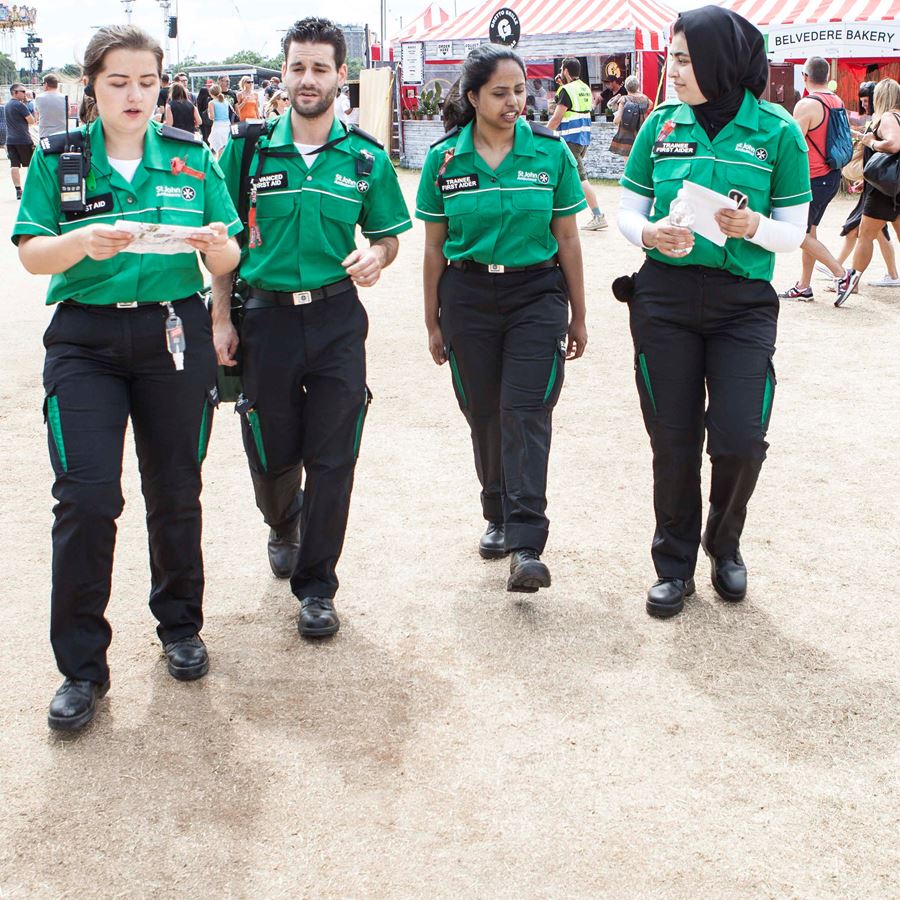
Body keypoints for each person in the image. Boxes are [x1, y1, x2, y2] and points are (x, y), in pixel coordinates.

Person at [13, 24, 242, 732]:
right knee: (86, 498)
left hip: (172, 332)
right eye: (118, 81)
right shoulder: (62, 159)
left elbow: (228, 256)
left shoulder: (189, 156)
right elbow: (32, 254)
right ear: (93, 86)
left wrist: (217, 245)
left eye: (146, 81)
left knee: (176, 486)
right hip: (86, 338)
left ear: (161, 85)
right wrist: (81, 241)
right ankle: (81, 667)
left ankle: (179, 626)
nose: (134, 94)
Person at [211, 17, 411, 638]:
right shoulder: (246, 151)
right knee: (270, 453)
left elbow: (387, 238)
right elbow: (222, 244)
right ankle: (282, 521)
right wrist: (221, 316)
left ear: (340, 76)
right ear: (284, 72)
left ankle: (318, 586)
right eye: (297, 66)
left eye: (320, 67)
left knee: (334, 455)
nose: (307, 78)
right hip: (264, 316)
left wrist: (377, 257)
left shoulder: (365, 159)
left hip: (335, 319)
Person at [617, 5, 811, 618]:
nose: (671, 71)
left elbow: (793, 232)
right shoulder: (661, 124)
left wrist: (755, 225)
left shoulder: (776, 131)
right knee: (672, 440)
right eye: (671, 58)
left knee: (739, 439)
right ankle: (672, 565)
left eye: (683, 59)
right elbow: (628, 206)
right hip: (665, 300)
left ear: (720, 61)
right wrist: (649, 234)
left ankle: (723, 544)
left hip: (742, 306)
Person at [416, 44, 587, 592]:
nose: (515, 101)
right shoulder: (444, 160)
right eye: (500, 92)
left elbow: (566, 237)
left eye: (520, 90)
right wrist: (432, 321)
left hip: (536, 294)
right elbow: (434, 248)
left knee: (526, 410)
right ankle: (496, 511)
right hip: (467, 295)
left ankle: (526, 542)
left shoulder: (551, 156)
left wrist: (578, 315)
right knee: (483, 410)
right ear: (473, 97)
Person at [777, 57, 849, 302]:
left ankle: (841, 274)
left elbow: (793, 145)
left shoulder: (806, 104)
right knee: (809, 230)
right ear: (827, 77)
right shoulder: (835, 100)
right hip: (831, 174)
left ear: (805, 77)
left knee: (798, 233)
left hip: (812, 178)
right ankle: (804, 285)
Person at [835, 78, 900, 306]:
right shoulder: (898, 117)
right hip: (892, 186)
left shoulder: (888, 118)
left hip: (884, 192)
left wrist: (871, 142)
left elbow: (893, 144)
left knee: (865, 236)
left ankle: (851, 280)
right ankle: (852, 279)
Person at [548, 57, 607, 231]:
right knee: (563, 176)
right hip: (583, 138)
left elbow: (557, 116)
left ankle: (598, 215)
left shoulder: (566, 90)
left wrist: (542, 133)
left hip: (569, 139)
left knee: (581, 178)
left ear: (565, 70)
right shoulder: (584, 88)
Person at [608, 75, 652, 158]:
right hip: (641, 134)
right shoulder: (645, 99)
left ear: (626, 88)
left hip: (627, 136)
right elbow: (650, 104)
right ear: (637, 87)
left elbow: (617, 120)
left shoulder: (624, 100)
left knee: (628, 163)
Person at [5, 82, 35, 199]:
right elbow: (31, 121)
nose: (25, 93)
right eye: (22, 91)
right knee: (30, 164)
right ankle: (30, 188)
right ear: (15, 93)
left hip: (10, 140)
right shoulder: (20, 105)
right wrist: (27, 105)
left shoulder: (7, 105)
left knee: (14, 165)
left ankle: (18, 190)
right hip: (23, 139)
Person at [35, 73, 68, 139]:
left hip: (45, 134)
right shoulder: (64, 97)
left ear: (46, 84)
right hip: (62, 134)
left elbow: (37, 115)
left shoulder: (39, 98)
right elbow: (68, 114)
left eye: (43, 84)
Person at [207, 84, 232, 156]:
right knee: (224, 145)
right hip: (227, 124)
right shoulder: (226, 101)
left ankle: (219, 164)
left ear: (211, 93)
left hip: (218, 125)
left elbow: (212, 117)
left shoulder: (211, 103)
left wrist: (208, 114)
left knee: (218, 147)